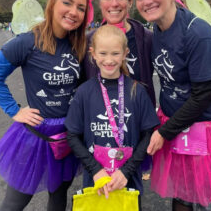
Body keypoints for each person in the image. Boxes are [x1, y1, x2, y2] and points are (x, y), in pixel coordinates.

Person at [134, 0, 211, 210]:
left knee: (202, 194)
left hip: (204, 127)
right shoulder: (156, 30)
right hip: (175, 123)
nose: (147, 1)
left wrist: (164, 132)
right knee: (182, 192)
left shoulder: (198, 33)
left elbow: (202, 97)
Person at [0, 0, 91, 211]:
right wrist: (14, 110)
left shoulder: (79, 44)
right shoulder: (27, 41)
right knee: (14, 202)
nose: (74, 12)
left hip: (67, 136)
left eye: (81, 8)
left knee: (59, 197)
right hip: (36, 136)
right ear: (52, 4)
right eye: (67, 3)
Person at [65, 25, 160, 209]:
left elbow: (147, 135)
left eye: (115, 53)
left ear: (125, 53)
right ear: (93, 54)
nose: (109, 60)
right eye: (103, 53)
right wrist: (96, 170)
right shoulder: (84, 92)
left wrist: (126, 171)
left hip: (127, 179)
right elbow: (72, 135)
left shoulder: (137, 91)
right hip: (96, 180)